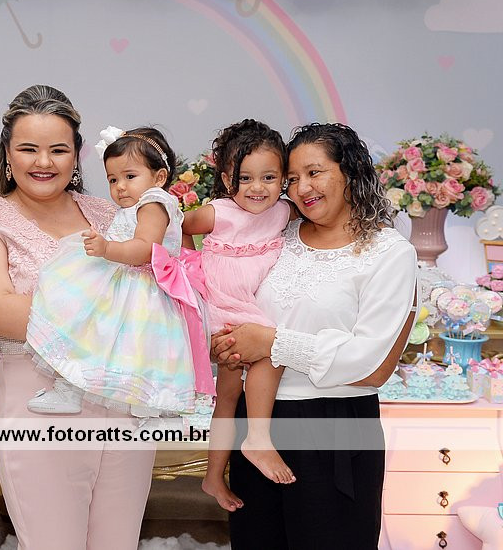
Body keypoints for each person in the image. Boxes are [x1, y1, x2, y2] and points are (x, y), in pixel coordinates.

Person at [0, 85, 156, 549]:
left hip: (124, 402)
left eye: (58, 150)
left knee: (119, 542)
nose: (43, 162)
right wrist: (118, 308)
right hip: (39, 405)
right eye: (29, 149)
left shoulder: (110, 216)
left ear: (76, 155)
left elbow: (154, 282)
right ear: (8, 154)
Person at [211, 123, 417, 549]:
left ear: (350, 171)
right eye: (291, 178)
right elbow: (232, 299)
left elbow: (371, 363)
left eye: (314, 172)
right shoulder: (276, 236)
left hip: (335, 429)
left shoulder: (388, 252)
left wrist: (271, 342)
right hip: (258, 423)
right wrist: (224, 343)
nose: (302, 188)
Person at [25, 125, 213, 416]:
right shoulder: (140, 204)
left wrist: (107, 249)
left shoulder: (154, 203)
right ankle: (71, 389)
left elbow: (145, 249)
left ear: (159, 177)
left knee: (124, 346)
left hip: (144, 290)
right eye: (113, 179)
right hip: (127, 281)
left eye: (129, 176)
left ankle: (151, 411)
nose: (120, 187)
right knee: (93, 335)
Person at [181, 119, 294, 514]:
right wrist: (191, 270)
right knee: (272, 351)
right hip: (225, 305)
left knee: (227, 398)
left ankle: (213, 477)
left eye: (268, 177)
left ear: (284, 178)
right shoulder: (219, 213)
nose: (257, 187)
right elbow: (182, 226)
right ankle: (258, 438)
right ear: (228, 179)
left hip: (250, 303)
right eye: (245, 178)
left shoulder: (284, 212)